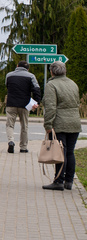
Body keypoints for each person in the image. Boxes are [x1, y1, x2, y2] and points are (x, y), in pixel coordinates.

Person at [41, 60, 82, 191]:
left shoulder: (51, 85)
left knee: (60, 152)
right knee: (70, 152)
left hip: (60, 122)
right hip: (75, 121)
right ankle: (69, 181)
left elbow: (51, 106)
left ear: (52, 71)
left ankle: (58, 181)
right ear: (65, 70)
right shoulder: (73, 83)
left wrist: (48, 124)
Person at [4, 60, 42, 153]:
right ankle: (23, 147)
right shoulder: (31, 76)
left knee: (10, 125)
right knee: (24, 126)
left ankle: (11, 141)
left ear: (17, 66)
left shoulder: (9, 75)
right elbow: (36, 89)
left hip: (11, 103)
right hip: (25, 105)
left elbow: (7, 86)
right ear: (27, 69)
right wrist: (36, 102)